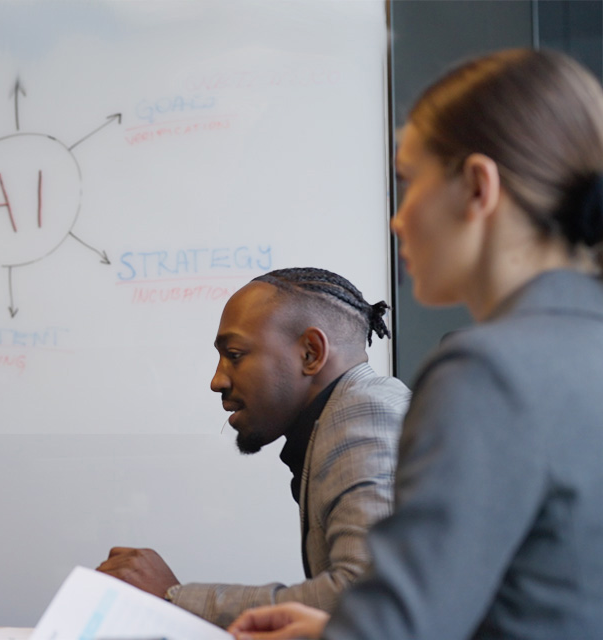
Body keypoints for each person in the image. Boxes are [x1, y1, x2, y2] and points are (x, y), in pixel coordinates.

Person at [228, 49, 603, 640]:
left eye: (408, 182)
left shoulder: (486, 372)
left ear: (478, 187)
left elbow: (404, 628)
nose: (396, 221)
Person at [97, 268, 410, 627]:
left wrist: (173, 597)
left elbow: (362, 597)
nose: (218, 380)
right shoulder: (348, 414)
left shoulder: (363, 413)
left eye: (235, 354)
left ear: (311, 353)